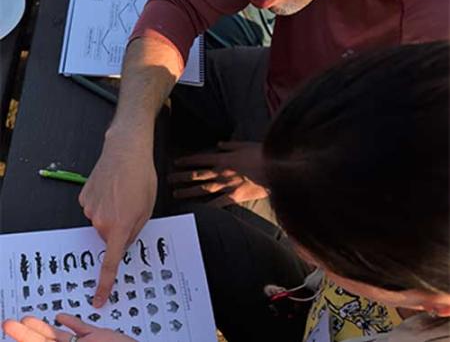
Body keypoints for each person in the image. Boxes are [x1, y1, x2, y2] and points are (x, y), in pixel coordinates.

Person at [77, 0, 450, 309]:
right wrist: (127, 136)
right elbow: (179, 2)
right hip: (276, 94)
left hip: (333, 190)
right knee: (114, 108)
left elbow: (406, 206)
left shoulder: (437, 30)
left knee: (181, 233)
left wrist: (276, 169)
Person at [4, 42, 449, 342]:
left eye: (317, 249)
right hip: (309, 311)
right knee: (187, 232)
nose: (295, 241)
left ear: (437, 302)